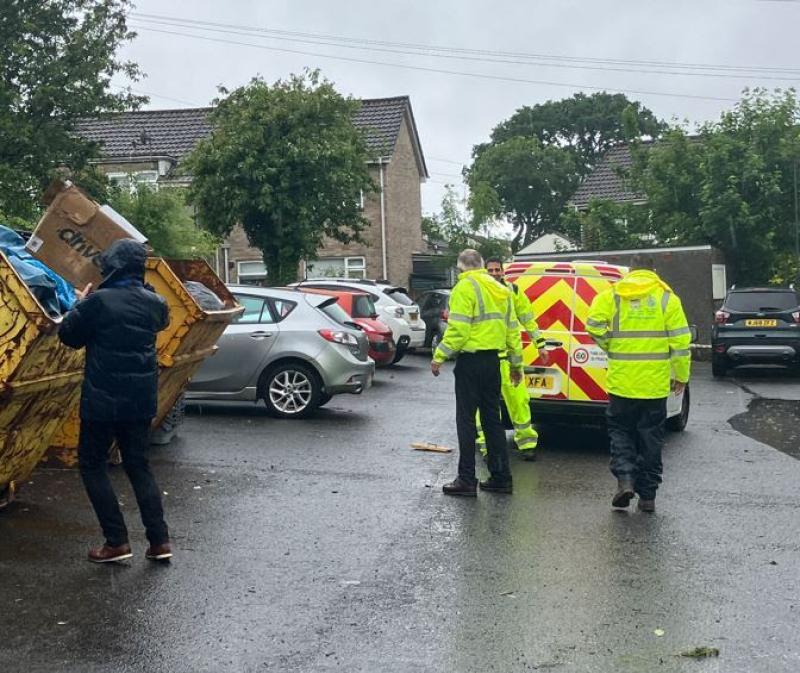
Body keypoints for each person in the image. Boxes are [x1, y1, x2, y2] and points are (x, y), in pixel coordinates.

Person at [59, 239, 172, 562]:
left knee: (92, 464)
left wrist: (80, 304)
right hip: (140, 400)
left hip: (102, 401)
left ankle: (116, 542)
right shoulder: (156, 302)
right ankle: (160, 541)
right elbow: (160, 322)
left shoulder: (99, 302)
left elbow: (69, 336)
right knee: (138, 465)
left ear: (113, 266)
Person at [586, 254, 691, 513]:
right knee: (651, 437)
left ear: (631, 270)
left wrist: (611, 344)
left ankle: (625, 479)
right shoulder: (668, 298)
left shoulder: (613, 294)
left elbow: (593, 324)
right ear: (653, 270)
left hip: (622, 381)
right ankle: (648, 497)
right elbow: (680, 342)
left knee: (620, 431)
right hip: (654, 383)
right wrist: (681, 376)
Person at [431, 249, 523, 496]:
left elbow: (458, 330)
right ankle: (501, 477)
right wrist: (516, 365)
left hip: (470, 363)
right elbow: (513, 331)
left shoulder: (464, 288)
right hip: (493, 361)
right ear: (482, 266)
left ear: (461, 268)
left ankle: (467, 479)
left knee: (466, 421)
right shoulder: (501, 290)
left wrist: (439, 356)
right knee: (493, 421)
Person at [478, 257, 549, 461]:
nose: (494, 273)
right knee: (485, 406)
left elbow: (527, 318)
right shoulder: (480, 291)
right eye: (490, 270)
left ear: (503, 271)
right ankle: (487, 446)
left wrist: (540, 344)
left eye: (497, 270)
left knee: (519, 401)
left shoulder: (514, 291)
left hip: (509, 359)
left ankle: (526, 444)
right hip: (487, 356)